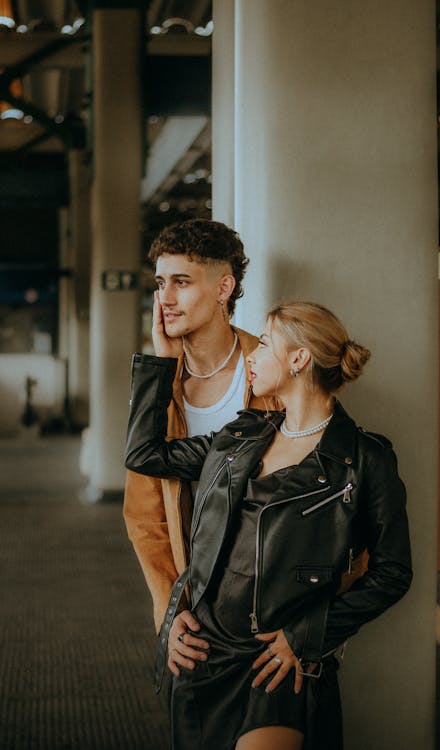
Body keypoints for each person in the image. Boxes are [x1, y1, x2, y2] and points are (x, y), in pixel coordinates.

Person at [125, 300, 412, 750]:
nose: (251, 356)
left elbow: (393, 572)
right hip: (203, 653)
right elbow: (144, 455)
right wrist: (162, 360)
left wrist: (308, 635)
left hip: (275, 662)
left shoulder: (363, 460)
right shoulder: (241, 435)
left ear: (299, 359)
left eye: (263, 345)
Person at [123, 219, 276, 633]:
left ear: (223, 288)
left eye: (182, 282)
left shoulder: (269, 371)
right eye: (159, 283)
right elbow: (145, 517)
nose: (165, 299)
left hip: (266, 599)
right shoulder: (162, 384)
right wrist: (170, 611)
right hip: (192, 599)